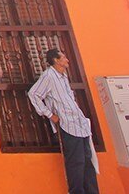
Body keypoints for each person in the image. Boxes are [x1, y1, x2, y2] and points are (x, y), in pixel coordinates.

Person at [28, 48, 99, 194]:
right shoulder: (48, 76)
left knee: (87, 162)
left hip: (80, 124)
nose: (67, 59)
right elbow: (33, 94)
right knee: (75, 163)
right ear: (56, 60)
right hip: (67, 125)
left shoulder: (63, 76)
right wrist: (50, 114)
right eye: (64, 57)